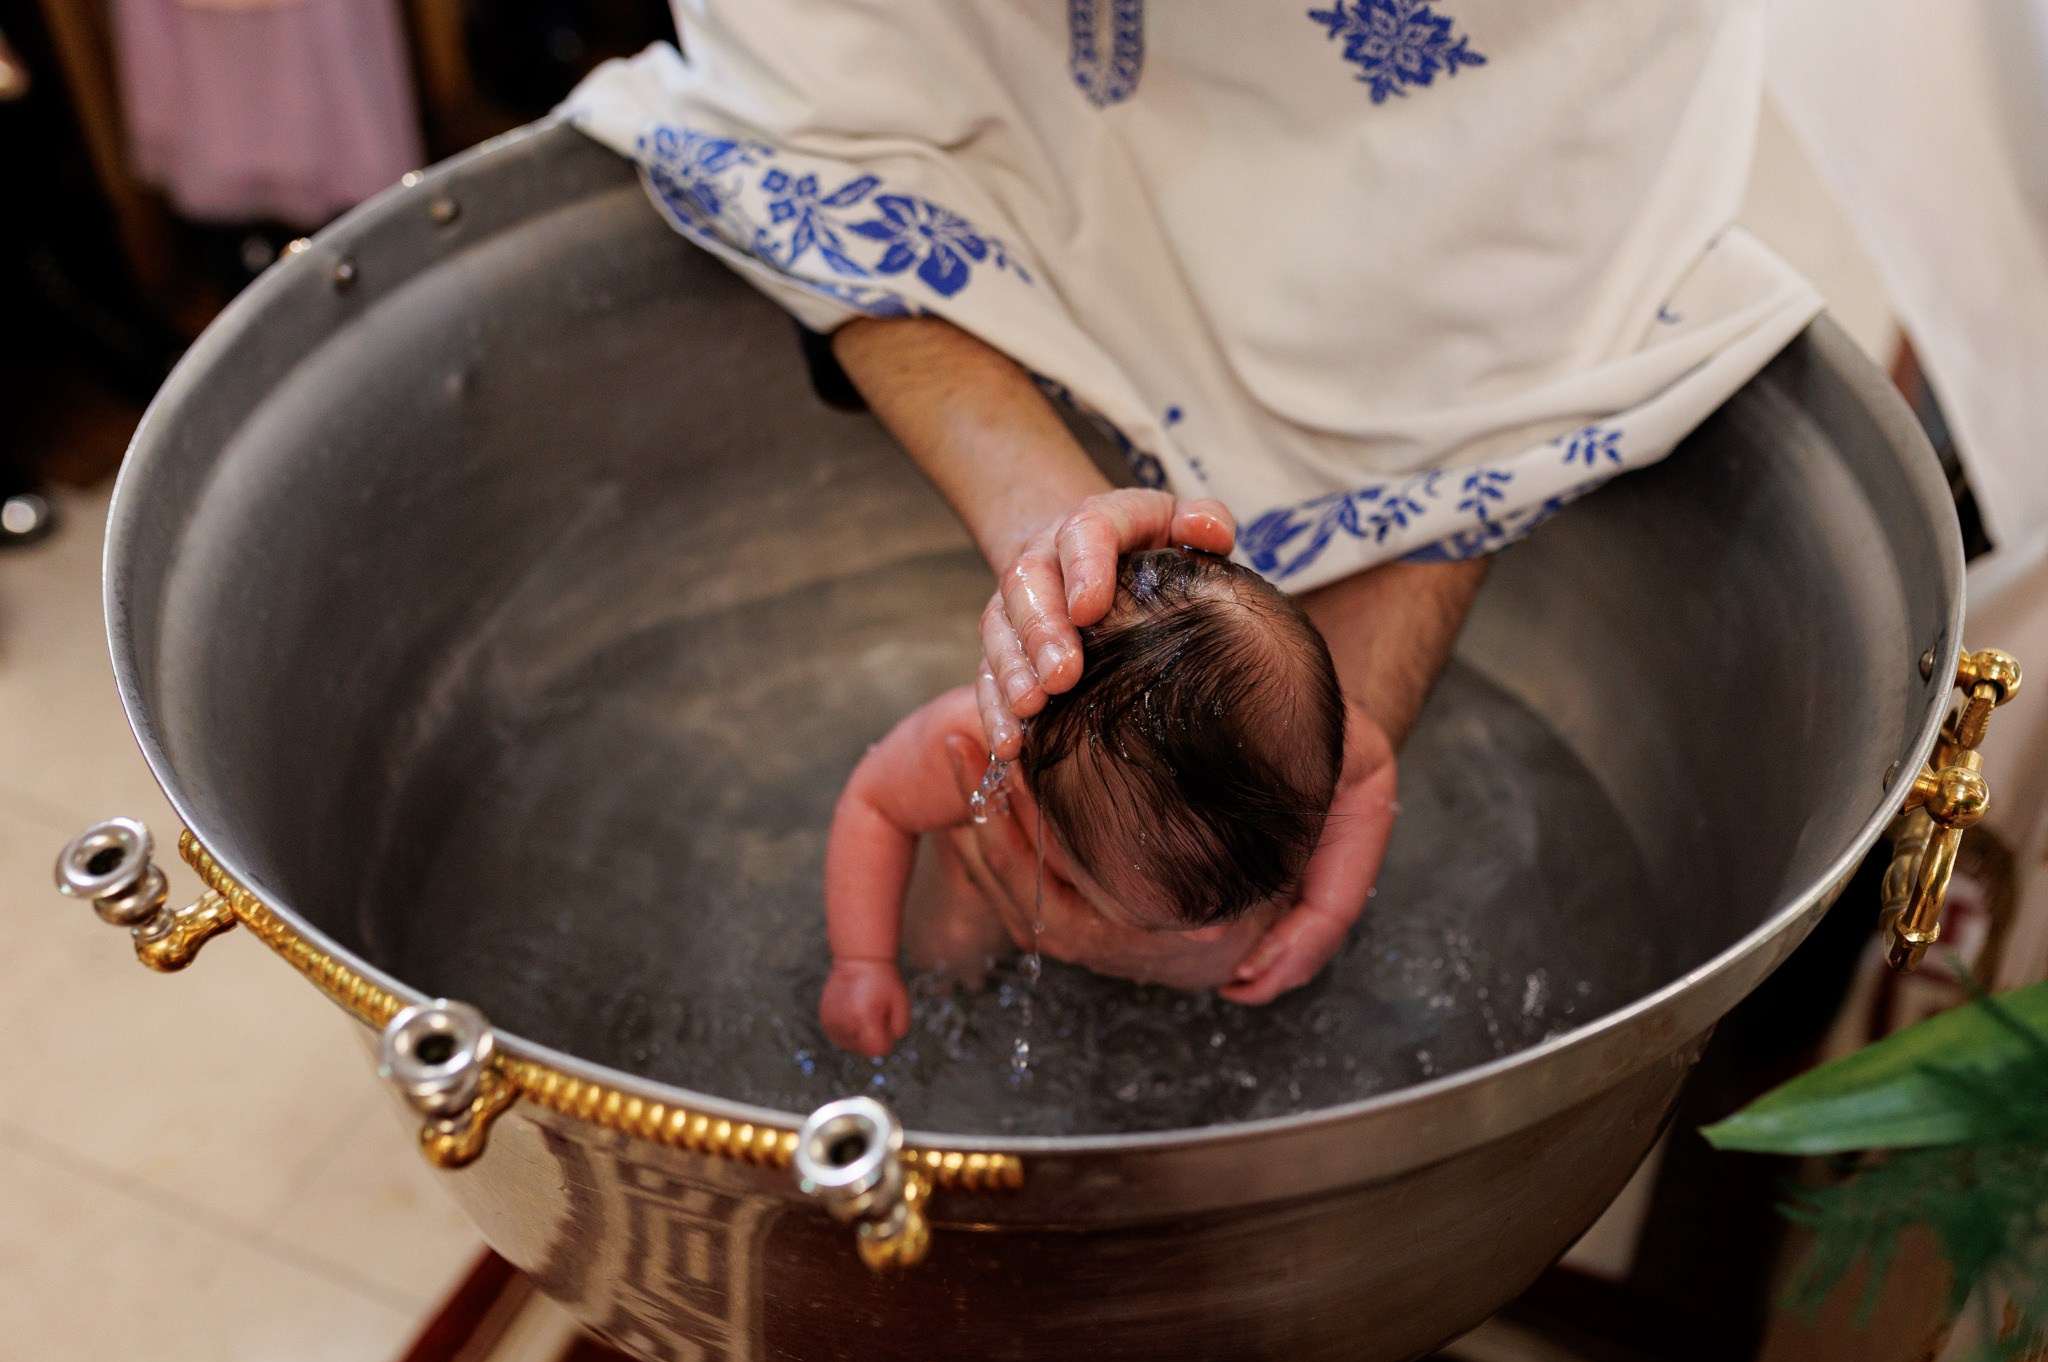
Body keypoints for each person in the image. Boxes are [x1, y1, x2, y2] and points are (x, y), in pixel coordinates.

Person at [563, 2, 1821, 998]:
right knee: (964, 894)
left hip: (1481, 94)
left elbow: (1356, 791)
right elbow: (872, 812)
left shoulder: (1323, 770)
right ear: (1027, 783)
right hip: (985, 60)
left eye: (1241, 882)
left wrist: (1307, 916)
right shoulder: (975, 759)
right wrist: (867, 968)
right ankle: (950, 974)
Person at [820, 548, 1379, 1055]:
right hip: (985, 863)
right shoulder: (981, 745)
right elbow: (875, 804)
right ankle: (950, 990)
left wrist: (1324, 913)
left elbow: (1371, 771)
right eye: (1162, 918)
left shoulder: (1288, 733)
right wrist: (862, 962)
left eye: (1252, 901)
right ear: (1041, 801)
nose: (1208, 936)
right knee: (951, 945)